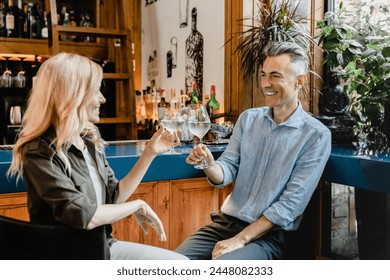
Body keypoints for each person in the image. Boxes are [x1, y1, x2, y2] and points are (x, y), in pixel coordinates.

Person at [7, 52, 187, 260]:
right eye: (96, 90)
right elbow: (84, 215)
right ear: (73, 94)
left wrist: (149, 153)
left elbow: (114, 197)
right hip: (67, 257)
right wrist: (136, 205)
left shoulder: (88, 142)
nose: (103, 98)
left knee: (180, 264)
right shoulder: (38, 151)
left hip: (102, 248)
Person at [176, 42, 332, 260]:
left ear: (300, 81)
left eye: (275, 76)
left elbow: (289, 206)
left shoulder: (316, 136)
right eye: (263, 74)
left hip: (268, 236)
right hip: (224, 224)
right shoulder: (248, 119)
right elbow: (228, 168)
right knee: (171, 264)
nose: (266, 83)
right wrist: (209, 164)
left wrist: (239, 240)